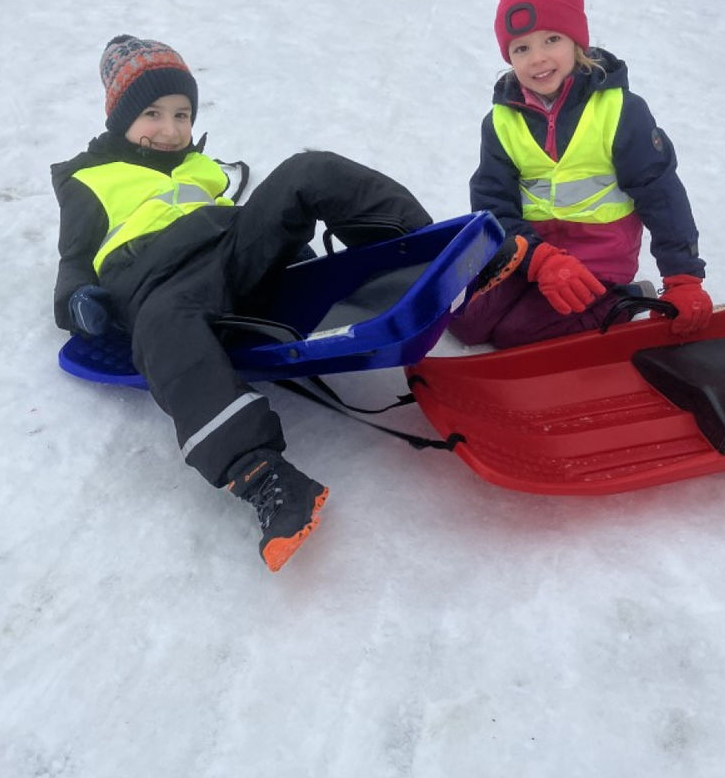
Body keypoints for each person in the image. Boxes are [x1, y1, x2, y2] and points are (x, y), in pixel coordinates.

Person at [52, 35, 440, 572]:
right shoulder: (88, 182)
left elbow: (251, 219)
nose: (170, 130)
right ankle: (263, 476)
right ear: (119, 118)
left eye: (182, 114)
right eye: (152, 113)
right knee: (164, 329)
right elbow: (72, 265)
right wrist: (80, 304)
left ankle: (428, 252)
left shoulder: (200, 167)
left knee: (308, 170)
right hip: (161, 286)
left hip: (231, 252)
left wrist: (291, 254)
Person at [448, 0, 713, 349]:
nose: (538, 59)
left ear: (577, 41)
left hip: (599, 255)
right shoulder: (502, 122)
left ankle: (624, 299)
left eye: (551, 39)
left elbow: (661, 193)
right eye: (521, 48)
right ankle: (540, 287)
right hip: (534, 252)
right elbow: (492, 206)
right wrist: (539, 260)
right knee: (466, 323)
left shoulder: (620, 111)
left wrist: (684, 276)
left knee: (516, 334)